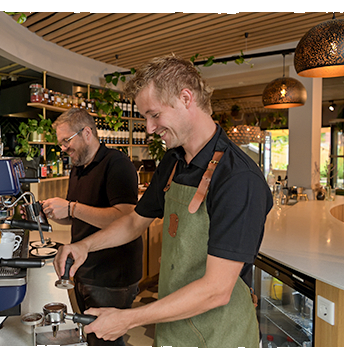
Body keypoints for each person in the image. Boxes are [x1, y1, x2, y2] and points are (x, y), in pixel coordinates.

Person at [53, 54, 273, 348]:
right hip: (173, 327)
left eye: (154, 115)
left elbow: (217, 290)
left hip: (221, 336)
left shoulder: (238, 178)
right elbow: (134, 221)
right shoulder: (173, 160)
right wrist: (84, 246)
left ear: (185, 98)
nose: (149, 128)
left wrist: (128, 318)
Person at [41, 108, 143, 348]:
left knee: (106, 340)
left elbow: (127, 218)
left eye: (66, 141)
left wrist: (72, 208)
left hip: (112, 275)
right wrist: (57, 213)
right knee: (92, 338)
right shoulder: (77, 166)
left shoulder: (117, 163)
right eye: (61, 144)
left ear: (87, 132)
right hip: (83, 267)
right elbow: (79, 216)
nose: (63, 148)